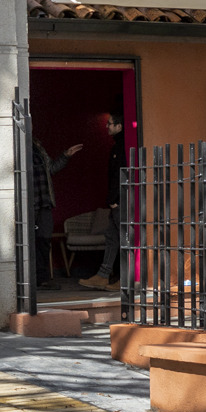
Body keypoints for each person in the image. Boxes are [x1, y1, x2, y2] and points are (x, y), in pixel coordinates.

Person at [85, 111, 129, 290]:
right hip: (117, 200)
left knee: (124, 239)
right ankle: (103, 275)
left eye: (110, 124)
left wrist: (113, 199)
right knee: (112, 237)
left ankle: (125, 279)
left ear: (119, 126)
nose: (107, 126)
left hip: (120, 200)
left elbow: (120, 174)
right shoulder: (119, 145)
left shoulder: (121, 147)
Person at [31, 137, 80, 287]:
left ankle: (42, 279)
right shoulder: (14, 144)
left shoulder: (37, 146)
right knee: (28, 241)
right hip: (28, 203)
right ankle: (27, 280)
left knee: (44, 239)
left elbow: (51, 168)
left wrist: (65, 155)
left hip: (44, 201)